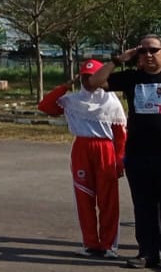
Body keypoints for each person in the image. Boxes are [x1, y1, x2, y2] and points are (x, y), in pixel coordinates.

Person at [84, 35, 161, 272]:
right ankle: (147, 253)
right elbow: (94, 83)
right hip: (139, 154)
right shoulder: (132, 78)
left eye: (154, 50)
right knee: (144, 207)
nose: (149, 55)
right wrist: (117, 60)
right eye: (143, 51)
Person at [38, 60, 127, 258]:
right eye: (85, 77)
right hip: (82, 148)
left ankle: (108, 244)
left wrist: (120, 160)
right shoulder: (72, 100)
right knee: (84, 197)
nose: (89, 81)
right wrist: (65, 86)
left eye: (93, 77)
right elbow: (45, 106)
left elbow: (121, 135)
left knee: (108, 199)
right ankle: (90, 243)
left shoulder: (111, 103)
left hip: (105, 149)